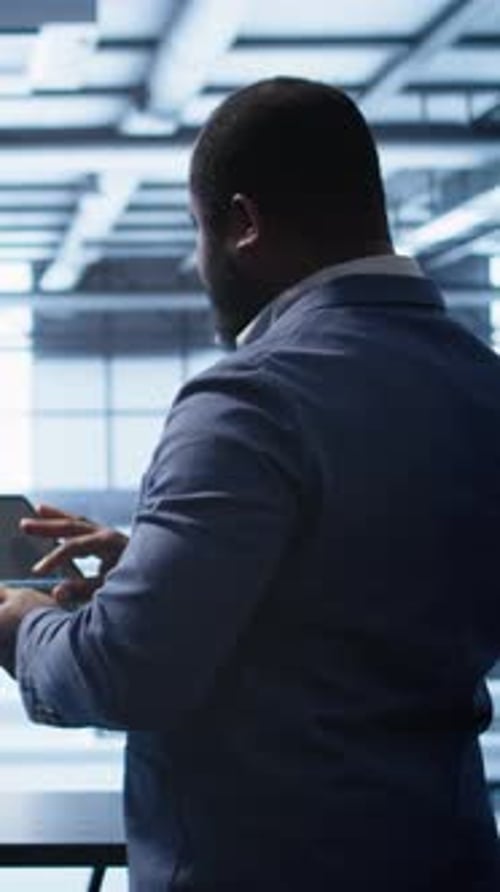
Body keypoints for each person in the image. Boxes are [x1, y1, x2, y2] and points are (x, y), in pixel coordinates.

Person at [0, 76, 499, 891]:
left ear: (242, 223)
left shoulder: (250, 398)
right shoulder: (482, 384)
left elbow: (125, 673)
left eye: (198, 231)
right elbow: (371, 606)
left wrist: (23, 630)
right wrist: (166, 568)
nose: (198, 263)